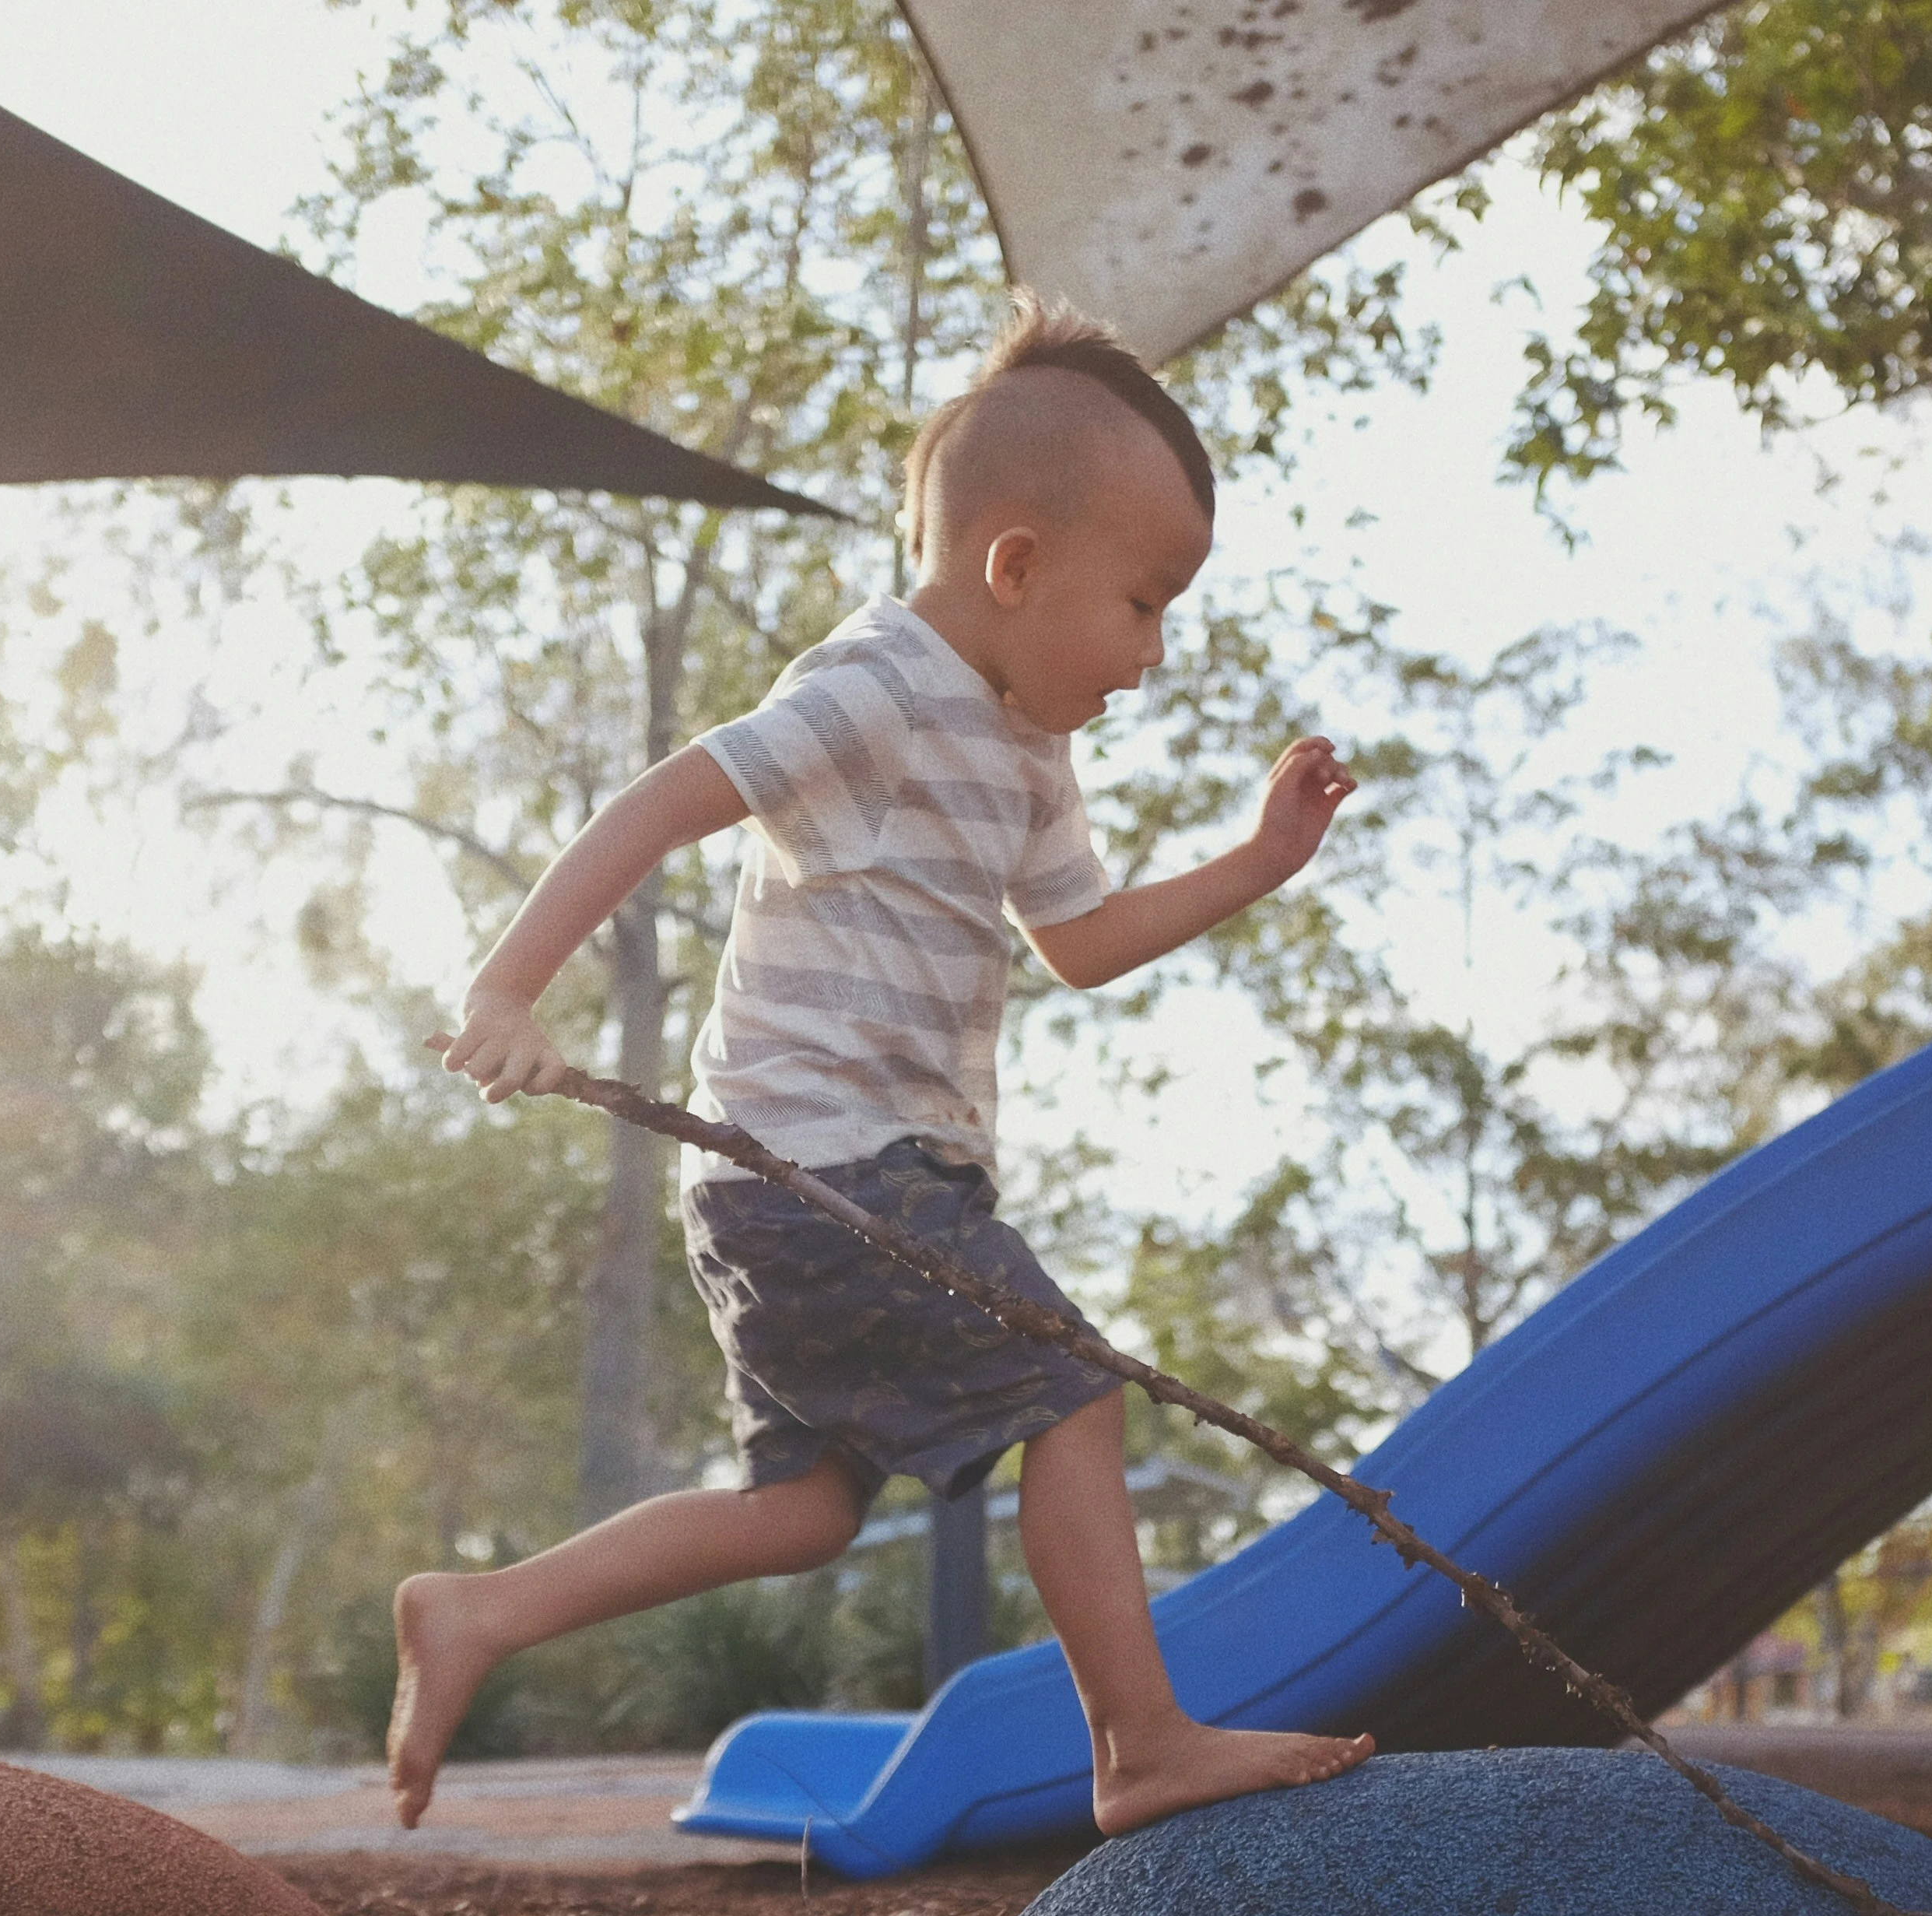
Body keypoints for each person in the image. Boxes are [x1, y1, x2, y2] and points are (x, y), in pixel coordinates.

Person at [394, 296, 1374, 1835]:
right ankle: (1140, 1745)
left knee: (799, 1512)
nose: (1155, 654)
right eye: (1144, 603)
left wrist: (1261, 859)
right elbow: (661, 803)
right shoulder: (879, 689)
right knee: (1079, 1397)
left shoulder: (1028, 754)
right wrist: (512, 987)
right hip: (821, 1161)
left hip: (821, 1179)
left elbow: (1088, 940)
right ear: (1016, 565)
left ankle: (481, 1611)